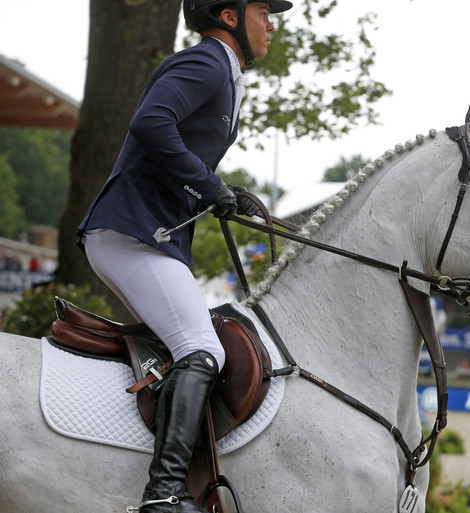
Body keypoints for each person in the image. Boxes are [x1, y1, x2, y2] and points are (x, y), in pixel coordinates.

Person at [76, 1, 293, 511]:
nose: (273, 24)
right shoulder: (206, 62)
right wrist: (205, 183)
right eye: (265, 11)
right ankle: (164, 494)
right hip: (132, 231)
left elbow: (178, 149)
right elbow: (152, 122)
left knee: (196, 343)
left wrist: (219, 190)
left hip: (149, 234)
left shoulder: (224, 73)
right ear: (231, 16)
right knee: (203, 347)